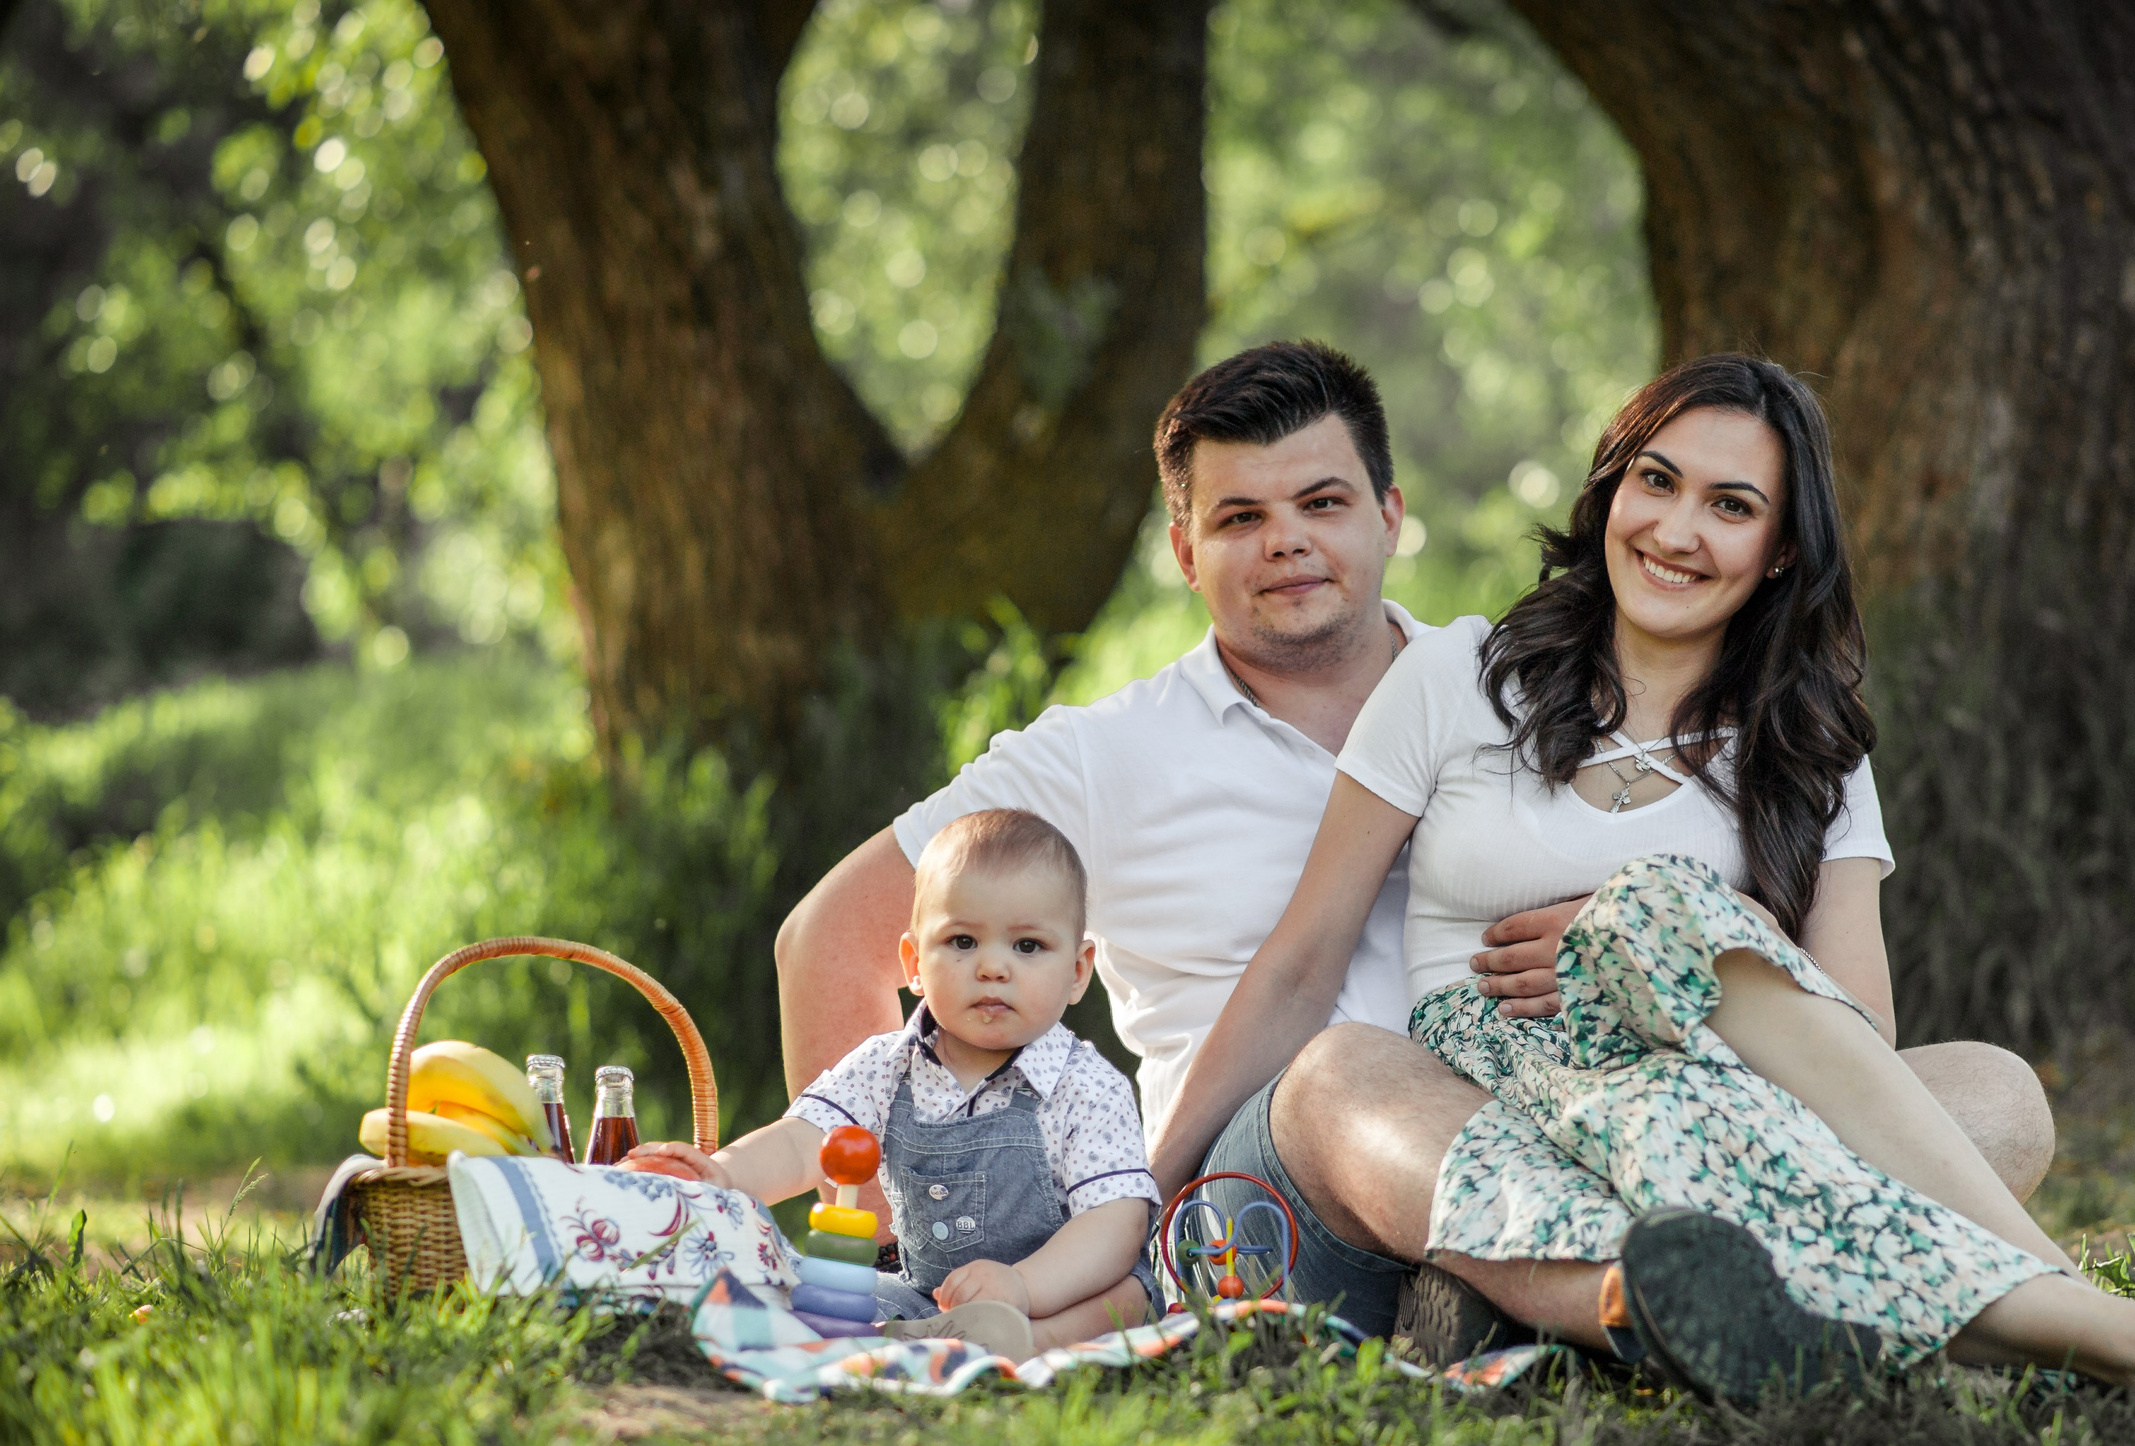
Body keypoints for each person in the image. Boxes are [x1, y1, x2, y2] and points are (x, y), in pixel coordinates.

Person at [1158, 353, 2135, 1429]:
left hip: (1711, 1101)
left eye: (1729, 504)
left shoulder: (1810, 747)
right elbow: (1303, 961)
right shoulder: (1457, 677)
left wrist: (1723, 938)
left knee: (1992, 1088)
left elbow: (1855, 1032)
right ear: (1610, 489)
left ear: (1776, 550)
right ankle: (2115, 1334)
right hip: (1494, 1093)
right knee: (1339, 1072)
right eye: (1655, 482)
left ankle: (1639, 1305)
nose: (1675, 530)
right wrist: (1134, 1201)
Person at [758, 339, 2053, 1353]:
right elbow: (837, 937)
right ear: (1182, 547)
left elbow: (1771, 961)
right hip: (1280, 1185)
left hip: (1573, 1124)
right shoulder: (1099, 756)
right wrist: (879, 1237)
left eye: (1322, 501)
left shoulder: (1526, 689)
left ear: (1390, 512)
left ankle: (1560, 1297)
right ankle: (1671, 1291)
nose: (1288, 544)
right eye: (1241, 517)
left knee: (1991, 1094)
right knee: (1342, 1071)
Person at [629, 809, 1158, 1355]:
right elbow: (804, 1140)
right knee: (832, 1292)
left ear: (1077, 970)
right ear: (913, 962)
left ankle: (1027, 1342)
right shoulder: (886, 1067)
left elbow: (1115, 1223)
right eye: (961, 941)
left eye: (1027, 946)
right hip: (929, 1296)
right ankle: (909, 1340)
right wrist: (725, 1174)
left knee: (1123, 1297)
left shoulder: (1087, 1087)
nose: (993, 968)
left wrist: (1023, 1287)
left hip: (1061, 1294)